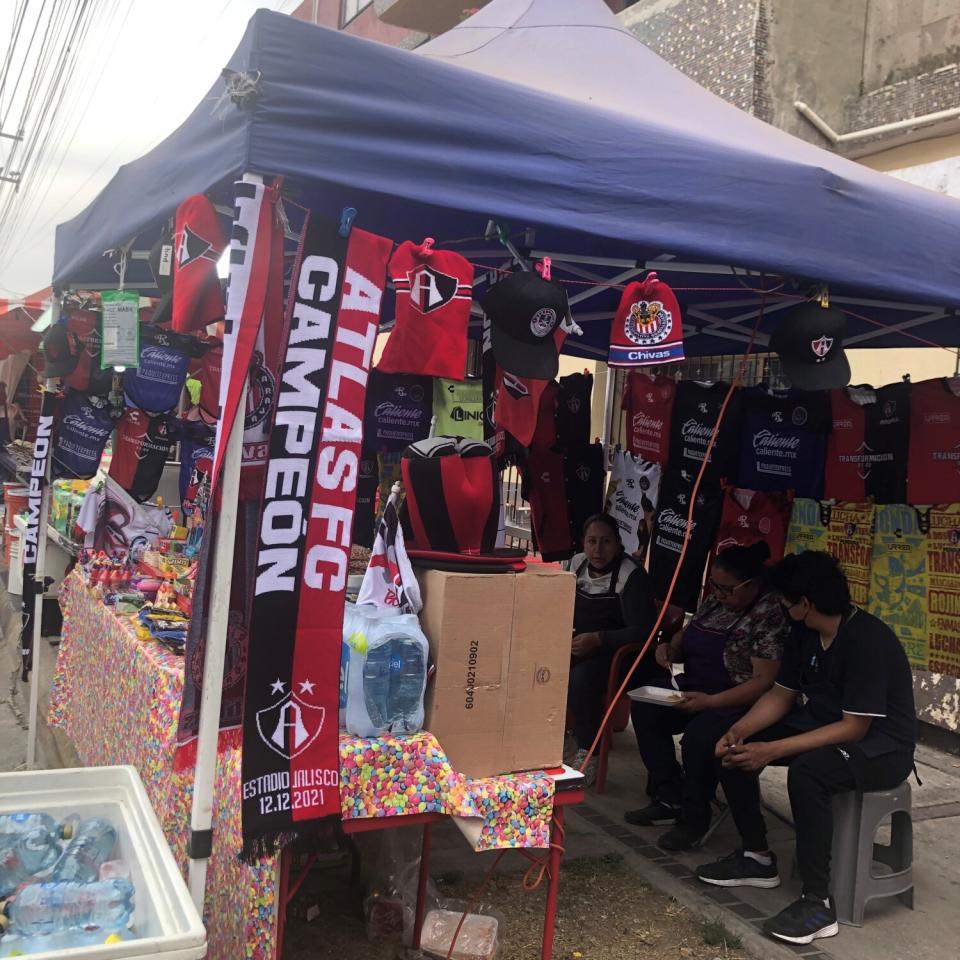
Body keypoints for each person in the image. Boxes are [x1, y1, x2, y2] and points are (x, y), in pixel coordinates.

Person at [695, 551, 917, 946]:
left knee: (808, 772)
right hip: (822, 726)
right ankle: (758, 857)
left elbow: (854, 727)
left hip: (881, 748)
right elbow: (782, 694)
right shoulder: (804, 632)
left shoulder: (866, 640)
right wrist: (740, 730)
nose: (780, 606)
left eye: (784, 600)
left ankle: (818, 902)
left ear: (805, 604)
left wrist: (774, 748)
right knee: (738, 749)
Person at [625, 541, 787, 850]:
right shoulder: (716, 600)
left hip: (737, 699)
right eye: (716, 587)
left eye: (728, 590)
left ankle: (694, 819)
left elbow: (763, 682)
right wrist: (670, 647)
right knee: (647, 709)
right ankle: (669, 795)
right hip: (694, 686)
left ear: (751, 585)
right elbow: (686, 633)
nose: (720, 594)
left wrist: (710, 702)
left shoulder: (770, 613)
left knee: (700, 737)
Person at [566, 513, 658, 784]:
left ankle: (589, 750)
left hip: (622, 655)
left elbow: (644, 631)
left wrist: (600, 639)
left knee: (580, 680)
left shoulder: (632, 575)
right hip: (582, 645)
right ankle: (553, 737)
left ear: (618, 543)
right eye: (592, 541)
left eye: (606, 542)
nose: (597, 549)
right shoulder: (576, 564)